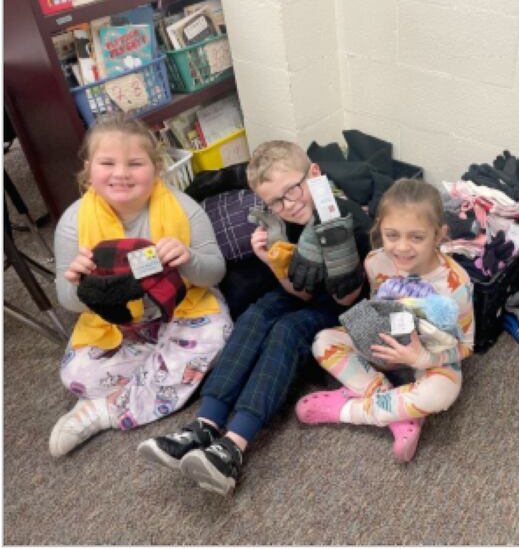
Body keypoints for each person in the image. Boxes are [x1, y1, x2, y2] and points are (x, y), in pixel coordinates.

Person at [137, 140, 372, 495]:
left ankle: (233, 446)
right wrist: (272, 262)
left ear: (315, 174)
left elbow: (347, 299)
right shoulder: (284, 220)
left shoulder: (347, 217)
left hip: (344, 308)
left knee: (286, 329)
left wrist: (338, 262)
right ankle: (204, 423)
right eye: (274, 201)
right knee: (257, 313)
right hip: (309, 295)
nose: (288, 206)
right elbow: (300, 292)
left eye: (292, 190)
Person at [50, 114, 232, 458]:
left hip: (182, 307)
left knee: (217, 332)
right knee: (76, 375)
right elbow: (68, 302)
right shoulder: (74, 223)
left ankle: (104, 411)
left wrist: (188, 257)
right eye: (107, 163)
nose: (121, 173)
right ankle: (164, 371)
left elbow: (214, 274)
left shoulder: (182, 208)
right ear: (89, 170)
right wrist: (76, 282)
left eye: (135, 163)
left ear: (156, 168)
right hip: (117, 322)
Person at [295, 179, 475, 462]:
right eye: (392, 235)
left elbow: (465, 346)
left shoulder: (456, 285)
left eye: (417, 237)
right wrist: (370, 337)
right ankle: (400, 415)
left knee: (442, 393)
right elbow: (375, 308)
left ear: (439, 235)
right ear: (379, 229)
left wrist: (421, 358)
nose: (402, 248)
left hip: (430, 354)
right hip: (383, 345)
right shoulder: (374, 262)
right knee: (323, 342)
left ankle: (349, 411)